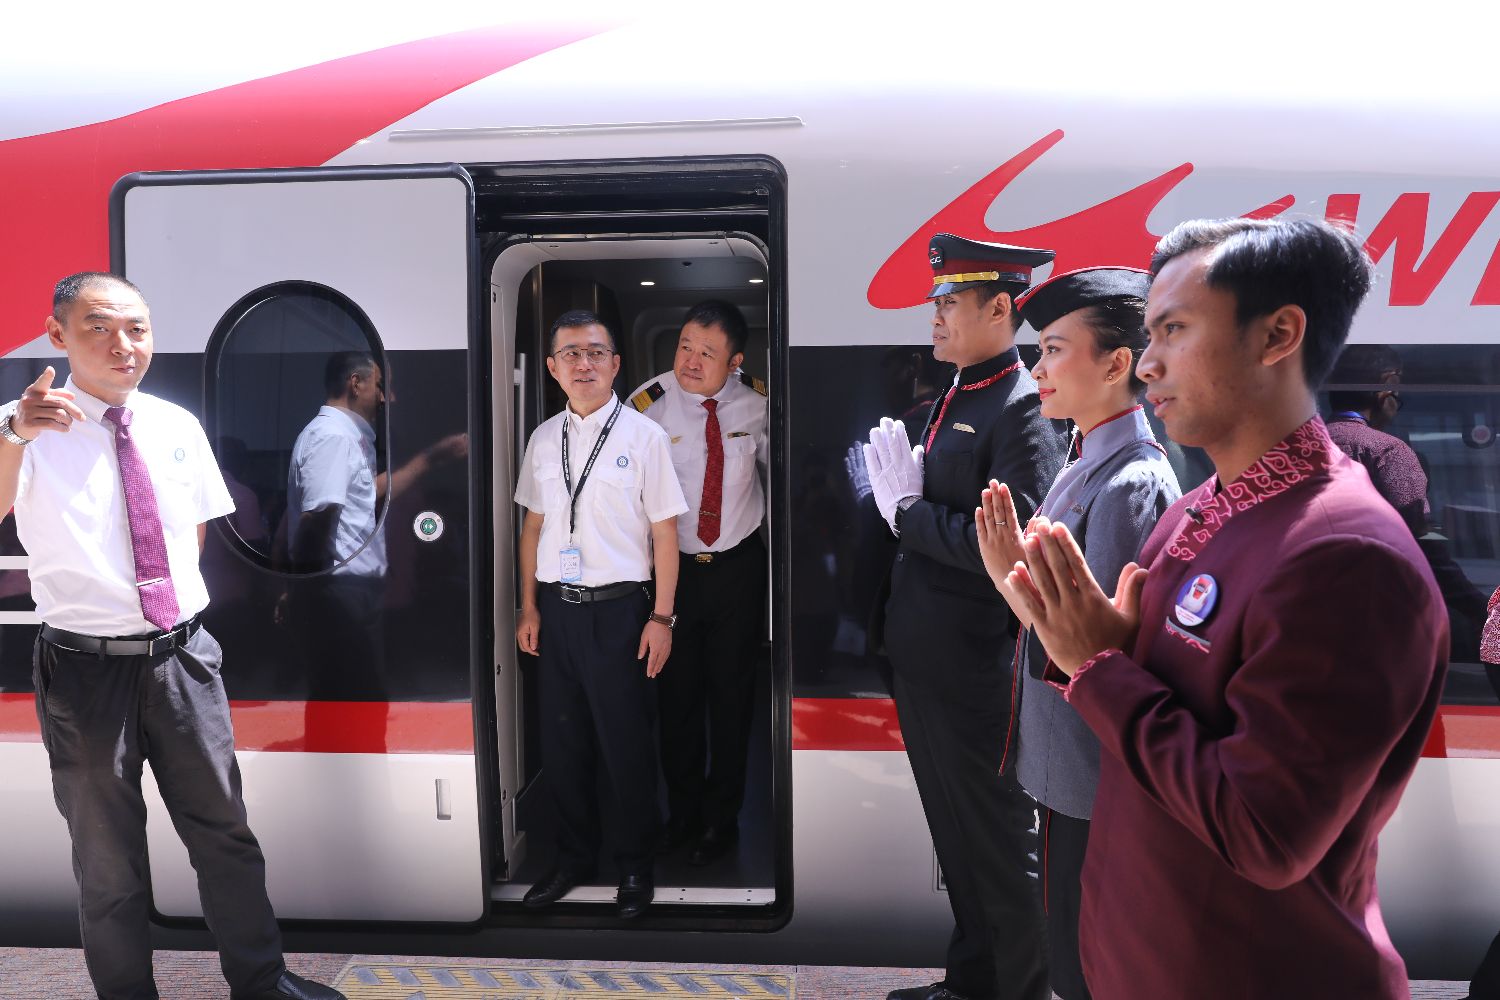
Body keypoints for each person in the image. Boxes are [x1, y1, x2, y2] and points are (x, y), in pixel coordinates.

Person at [998, 218, 1449, 999]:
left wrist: (1097, 667)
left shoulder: (1346, 558)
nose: (1147, 363)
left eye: (1173, 330)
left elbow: (1263, 832)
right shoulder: (1203, 508)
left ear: (1278, 336)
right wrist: (1094, 644)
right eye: (1149, 334)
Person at [0, 272, 341, 1000]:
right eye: (98, 327)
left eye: (137, 328)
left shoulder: (176, 425)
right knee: (107, 860)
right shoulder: (18, 428)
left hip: (182, 659)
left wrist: (169, 613)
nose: (123, 345)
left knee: (225, 834)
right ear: (57, 335)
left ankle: (262, 981)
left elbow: (192, 535)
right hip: (84, 670)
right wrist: (14, 435)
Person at [864, 234, 1065, 1000]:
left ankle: (1021, 990)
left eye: (950, 302)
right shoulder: (959, 396)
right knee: (956, 837)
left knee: (998, 845)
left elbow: (1011, 548)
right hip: (928, 665)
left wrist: (908, 515)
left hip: (978, 669)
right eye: (936, 301)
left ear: (1000, 308)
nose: (935, 316)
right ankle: (971, 981)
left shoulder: (1020, 408)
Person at [975, 267, 1180, 1000]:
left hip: (1094, 777)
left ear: (1117, 363)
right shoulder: (1086, 459)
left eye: (1055, 350)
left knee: (1086, 968)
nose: (1037, 370)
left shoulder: (1127, 484)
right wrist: (1010, 576)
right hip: (1069, 768)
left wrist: (1009, 579)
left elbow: (1094, 654)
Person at [514, 309, 686, 919]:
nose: (583, 364)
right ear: (553, 368)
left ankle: (635, 865)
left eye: (594, 353)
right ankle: (572, 860)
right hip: (557, 613)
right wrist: (528, 606)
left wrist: (661, 619)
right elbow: (532, 527)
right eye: (570, 354)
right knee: (563, 746)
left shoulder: (644, 437)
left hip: (621, 615)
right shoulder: (542, 439)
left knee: (626, 745)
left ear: (615, 364)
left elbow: (665, 534)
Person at [628, 300, 768, 865]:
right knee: (677, 700)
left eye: (707, 353)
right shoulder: (646, 406)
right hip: (673, 575)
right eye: (685, 345)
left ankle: (722, 820)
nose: (690, 360)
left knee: (733, 699)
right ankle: (682, 816)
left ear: (735, 362)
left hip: (737, 570)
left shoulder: (759, 404)